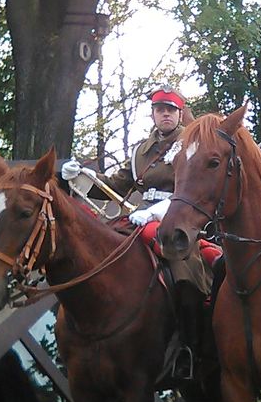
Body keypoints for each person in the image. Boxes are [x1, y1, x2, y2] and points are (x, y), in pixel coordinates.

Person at [61, 85, 211, 376]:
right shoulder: (141, 150)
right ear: (153, 114)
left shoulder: (191, 146)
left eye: (170, 109)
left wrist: (155, 212)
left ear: (180, 114)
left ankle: (191, 348)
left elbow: (192, 191)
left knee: (185, 274)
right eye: (159, 109)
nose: (165, 114)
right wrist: (81, 177)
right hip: (137, 217)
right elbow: (116, 185)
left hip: (179, 218)